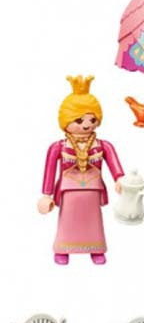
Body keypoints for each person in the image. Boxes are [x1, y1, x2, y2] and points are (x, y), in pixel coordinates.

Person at [39, 75, 124, 265]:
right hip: (68, 191)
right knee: (67, 221)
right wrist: (46, 195)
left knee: (94, 221)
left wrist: (120, 179)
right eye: (79, 120)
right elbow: (49, 171)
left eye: (92, 119)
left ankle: (95, 248)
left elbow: (115, 165)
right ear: (66, 120)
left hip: (93, 190)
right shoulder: (59, 146)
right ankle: (63, 248)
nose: (86, 125)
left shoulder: (103, 145)